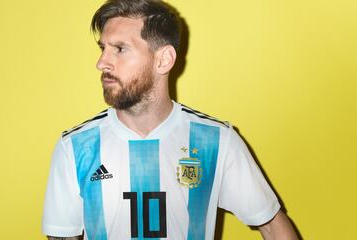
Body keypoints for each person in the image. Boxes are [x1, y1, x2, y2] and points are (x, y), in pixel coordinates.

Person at [42, 0, 299, 239]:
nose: (101, 63)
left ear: (163, 60)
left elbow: (273, 225)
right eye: (103, 49)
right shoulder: (75, 147)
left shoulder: (215, 141)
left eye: (119, 49)